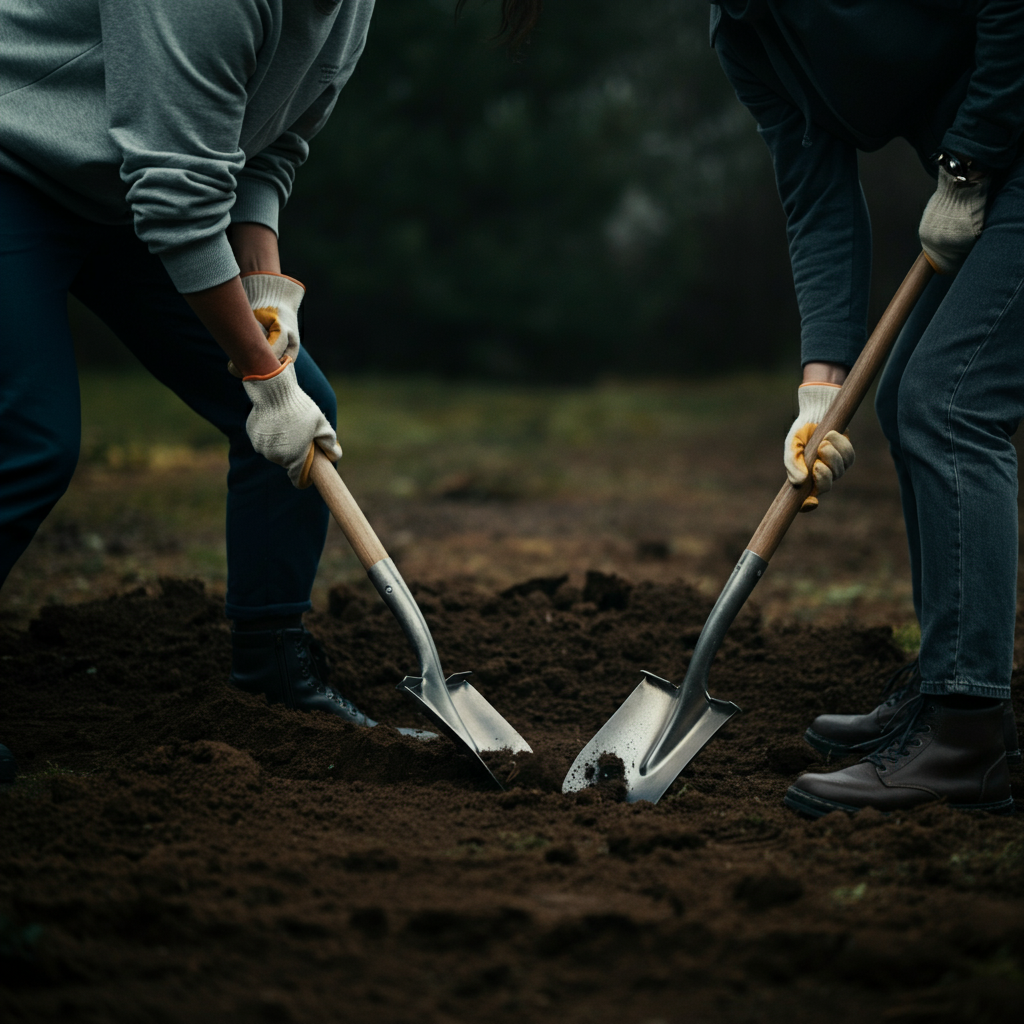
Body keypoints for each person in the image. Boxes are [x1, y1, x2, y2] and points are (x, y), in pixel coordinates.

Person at [0, 0, 383, 767]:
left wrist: (268, 308)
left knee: (308, 407)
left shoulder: (350, 7)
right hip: (15, 164)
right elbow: (178, 202)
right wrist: (264, 379)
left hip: (130, 195)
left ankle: (270, 671)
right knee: (29, 439)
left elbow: (266, 151)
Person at [710, 0, 1022, 816]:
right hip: (995, 163)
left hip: (1005, 148)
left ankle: (968, 737)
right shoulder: (746, 33)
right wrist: (821, 391)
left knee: (947, 401)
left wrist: (968, 163)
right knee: (902, 393)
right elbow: (816, 192)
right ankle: (943, 686)